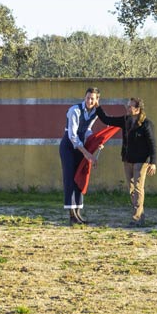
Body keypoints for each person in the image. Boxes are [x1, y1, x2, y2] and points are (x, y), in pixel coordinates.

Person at [96, 97, 157, 227]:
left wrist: (153, 162)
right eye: (127, 106)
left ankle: (136, 218)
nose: (127, 108)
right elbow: (107, 119)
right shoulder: (125, 120)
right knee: (131, 188)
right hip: (127, 159)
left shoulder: (146, 124)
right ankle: (140, 215)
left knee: (138, 188)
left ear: (138, 109)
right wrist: (97, 107)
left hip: (141, 161)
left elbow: (152, 144)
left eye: (130, 106)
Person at [60, 87, 100, 225]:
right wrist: (87, 153)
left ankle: (78, 212)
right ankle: (72, 215)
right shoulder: (74, 110)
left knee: (79, 178)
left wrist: (95, 142)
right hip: (69, 147)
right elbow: (72, 135)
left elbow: (87, 130)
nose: (89, 100)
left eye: (92, 99)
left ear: (96, 100)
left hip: (81, 147)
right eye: (87, 97)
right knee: (70, 178)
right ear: (85, 97)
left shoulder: (95, 112)